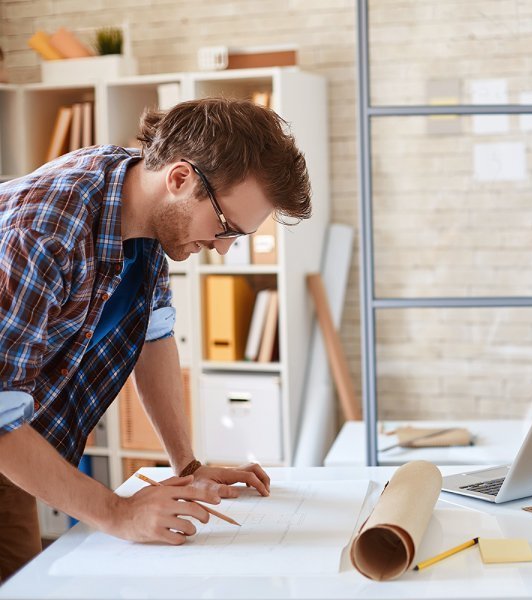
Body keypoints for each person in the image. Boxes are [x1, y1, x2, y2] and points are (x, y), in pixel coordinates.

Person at [0, 96, 312, 581]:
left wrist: (186, 466)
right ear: (181, 179)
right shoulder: (47, 230)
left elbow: (154, 335)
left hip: (17, 439)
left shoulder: (138, 207)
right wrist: (118, 512)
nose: (223, 249)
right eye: (225, 227)